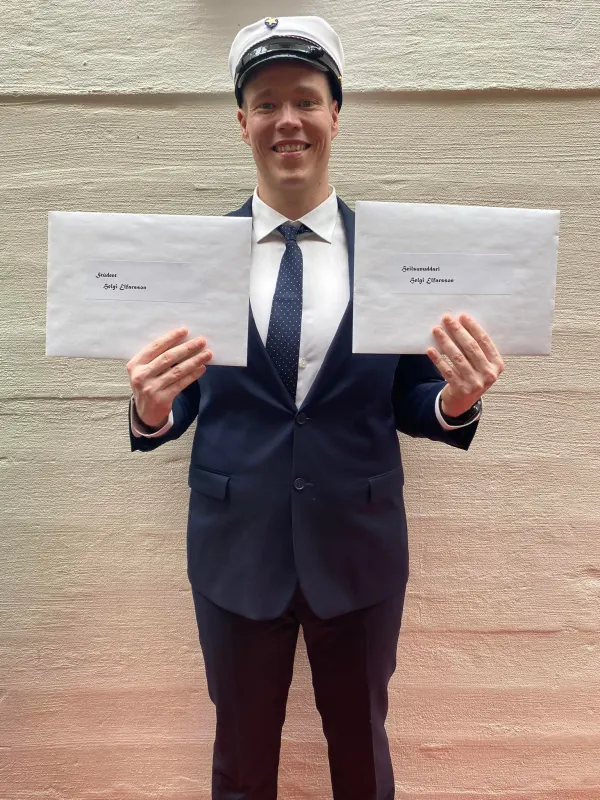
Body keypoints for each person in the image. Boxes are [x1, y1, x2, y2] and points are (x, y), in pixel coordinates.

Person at [126, 15, 504, 800]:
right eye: (266, 104)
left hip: (360, 551)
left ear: (336, 113)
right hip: (235, 552)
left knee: (363, 759)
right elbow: (179, 393)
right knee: (239, 765)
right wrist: (152, 409)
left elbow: (411, 396)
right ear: (242, 123)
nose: (287, 120)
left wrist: (455, 399)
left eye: (305, 100)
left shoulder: (392, 257)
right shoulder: (196, 258)